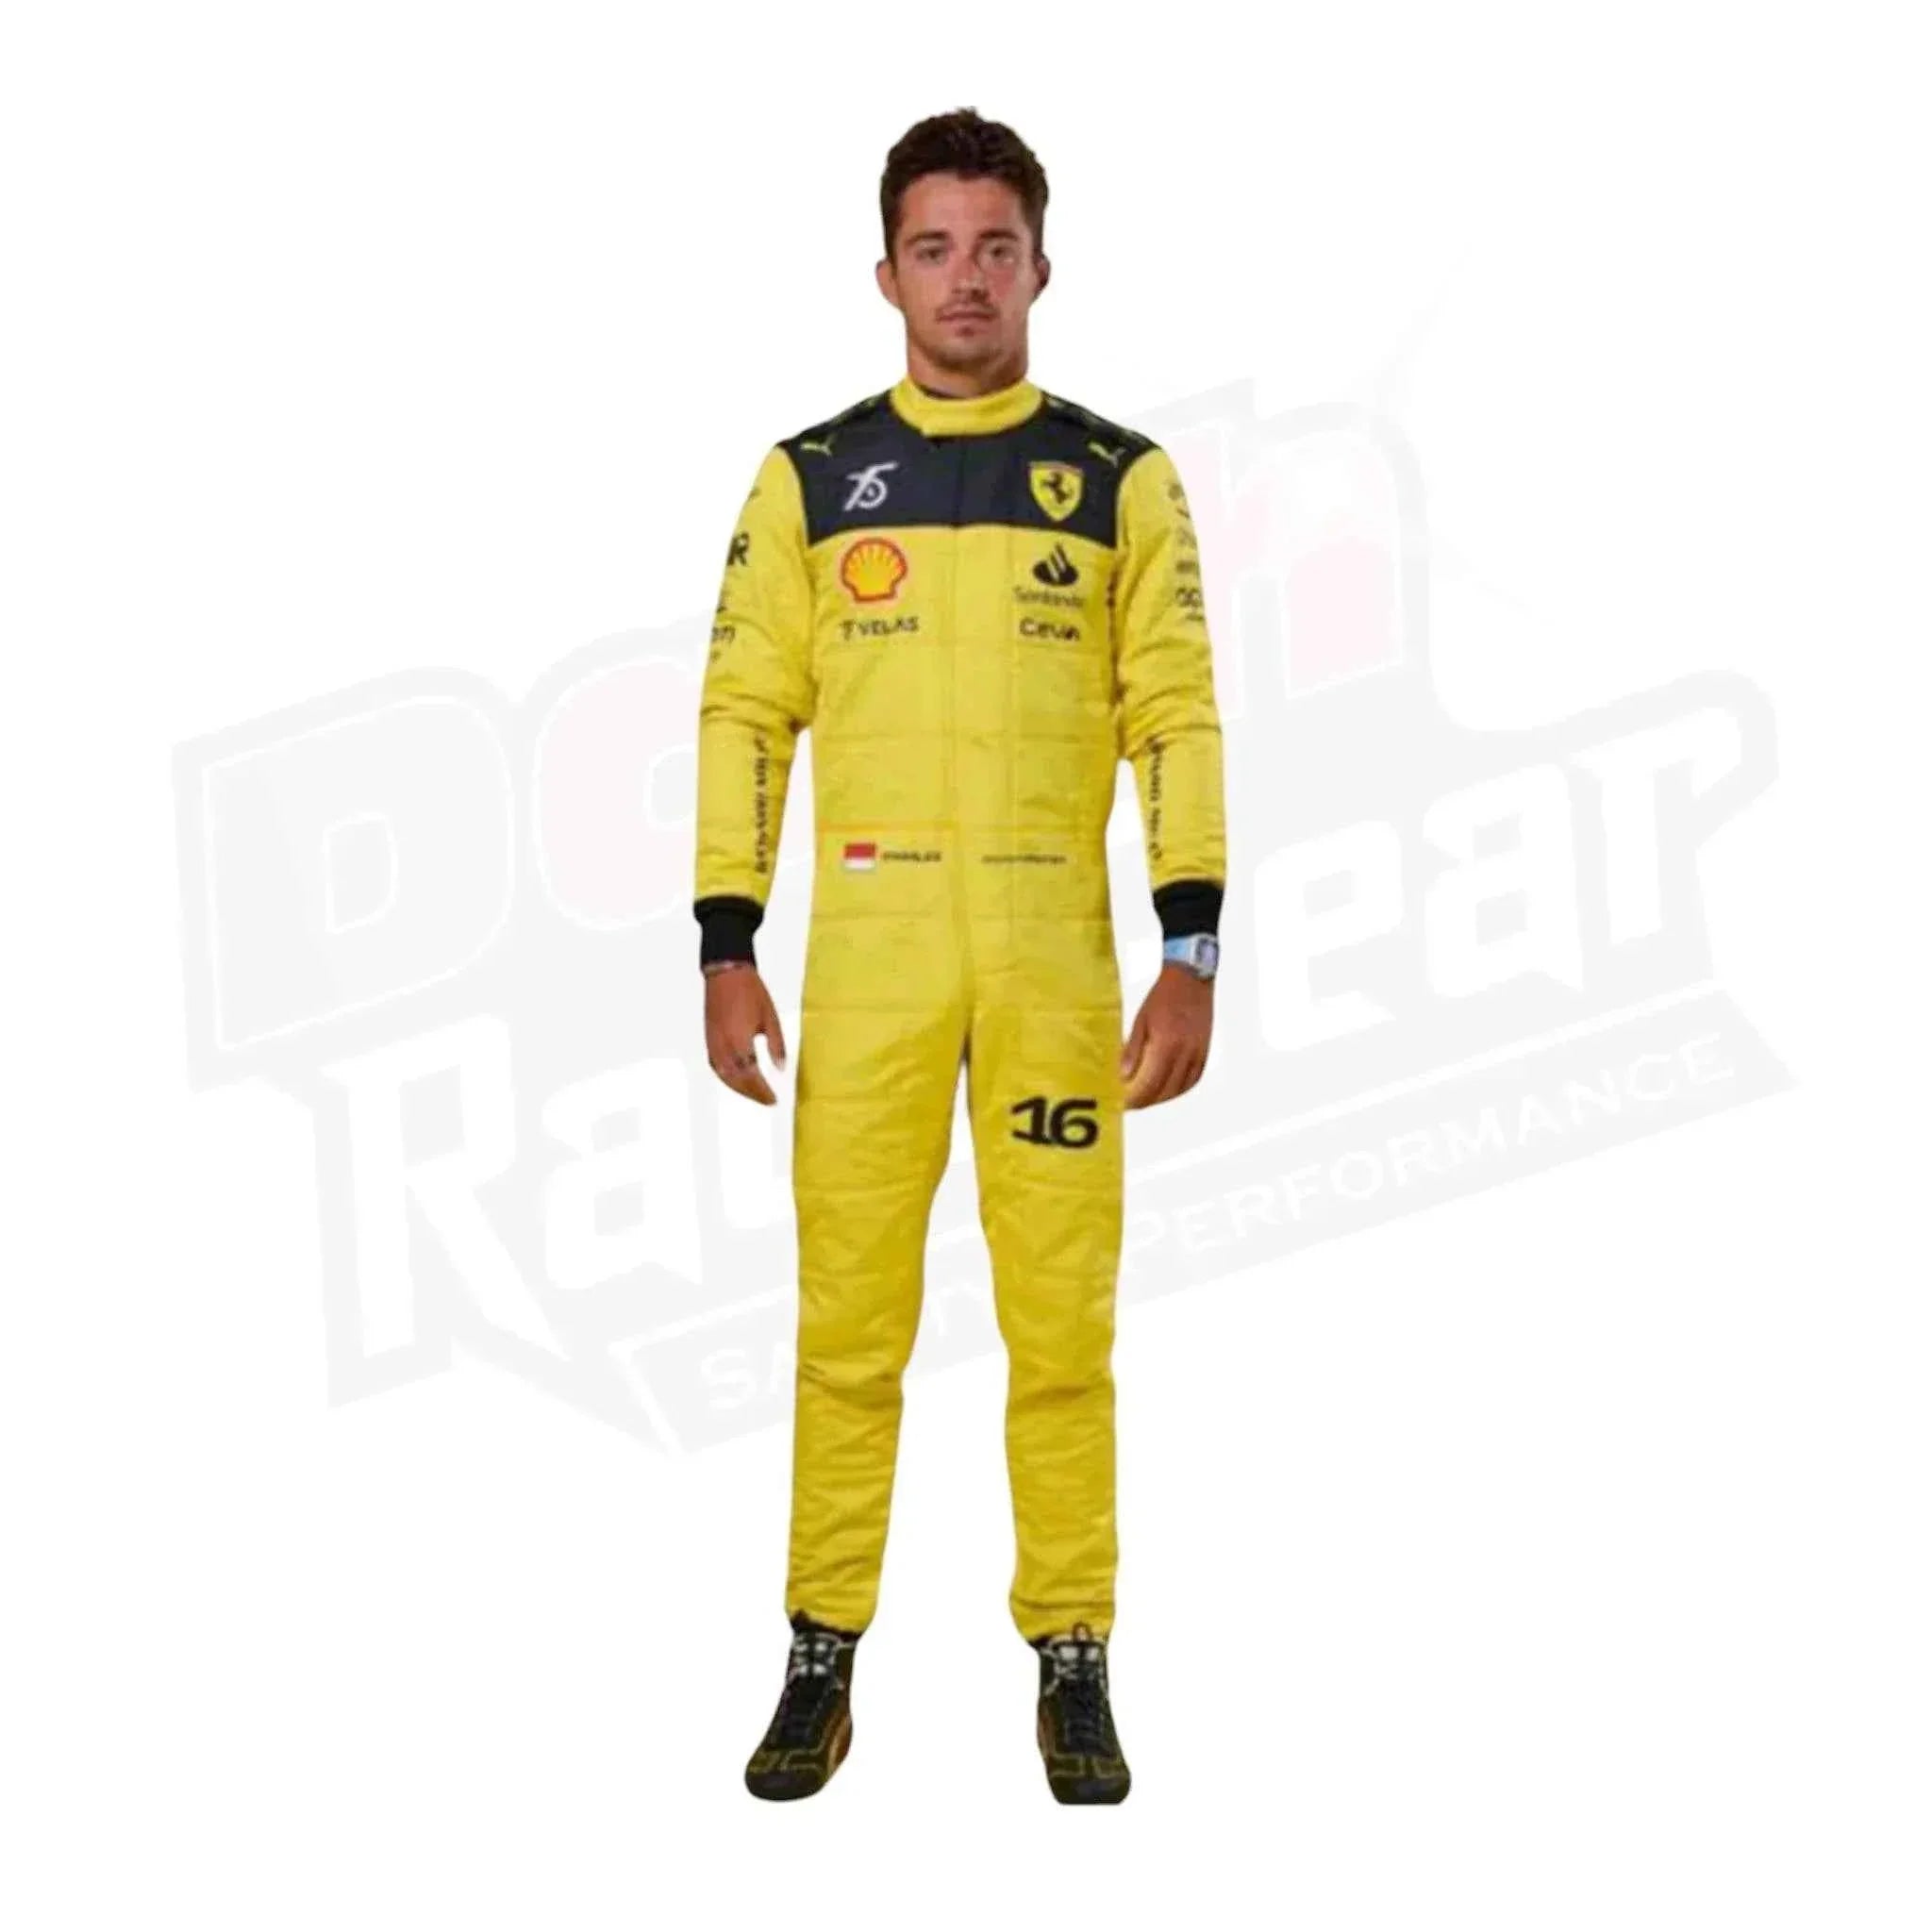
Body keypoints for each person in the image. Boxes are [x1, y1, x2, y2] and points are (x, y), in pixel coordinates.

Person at [692, 107, 1225, 1806]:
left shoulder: (1122, 480)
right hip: (868, 972)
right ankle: (820, 1652)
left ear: (1043, 268)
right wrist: (724, 940)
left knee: (1061, 1331)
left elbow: (1176, 714)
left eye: (997, 247)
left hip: (1058, 969)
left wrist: (1193, 943)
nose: (967, 279)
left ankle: (1074, 1653)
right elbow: (743, 711)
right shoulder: (808, 480)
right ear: (887, 275)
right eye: (935, 248)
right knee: (848, 1329)